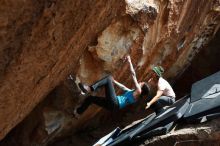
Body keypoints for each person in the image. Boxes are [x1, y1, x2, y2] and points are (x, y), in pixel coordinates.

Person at [73, 56, 150, 118]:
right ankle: (78, 112)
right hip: (113, 107)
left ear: (142, 88)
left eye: (141, 83)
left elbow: (133, 75)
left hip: (115, 102)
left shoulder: (138, 91)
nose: (139, 83)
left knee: (108, 78)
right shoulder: (134, 94)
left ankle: (89, 88)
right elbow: (124, 88)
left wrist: (129, 61)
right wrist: (115, 82)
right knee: (90, 99)